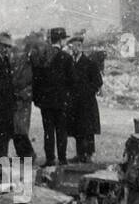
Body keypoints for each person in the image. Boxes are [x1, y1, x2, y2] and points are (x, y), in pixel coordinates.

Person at [33, 27, 74, 166]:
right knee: (61, 130)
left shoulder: (43, 55)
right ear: (62, 40)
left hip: (46, 102)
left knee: (48, 131)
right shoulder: (67, 58)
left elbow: (36, 79)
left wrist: (37, 98)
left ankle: (50, 158)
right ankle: (62, 159)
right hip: (61, 102)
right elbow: (72, 81)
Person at [66, 34, 102, 163]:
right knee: (78, 129)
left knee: (88, 129)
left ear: (81, 47)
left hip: (87, 102)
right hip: (74, 102)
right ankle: (80, 154)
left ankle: (89, 154)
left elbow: (98, 82)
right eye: (73, 47)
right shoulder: (70, 62)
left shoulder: (90, 63)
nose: (74, 49)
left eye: (77, 46)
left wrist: (88, 92)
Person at [9, 34, 36, 160]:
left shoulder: (30, 62)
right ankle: (24, 153)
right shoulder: (20, 61)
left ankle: (28, 153)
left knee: (20, 128)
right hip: (17, 98)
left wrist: (23, 93)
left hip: (23, 98)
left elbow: (32, 82)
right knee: (17, 128)